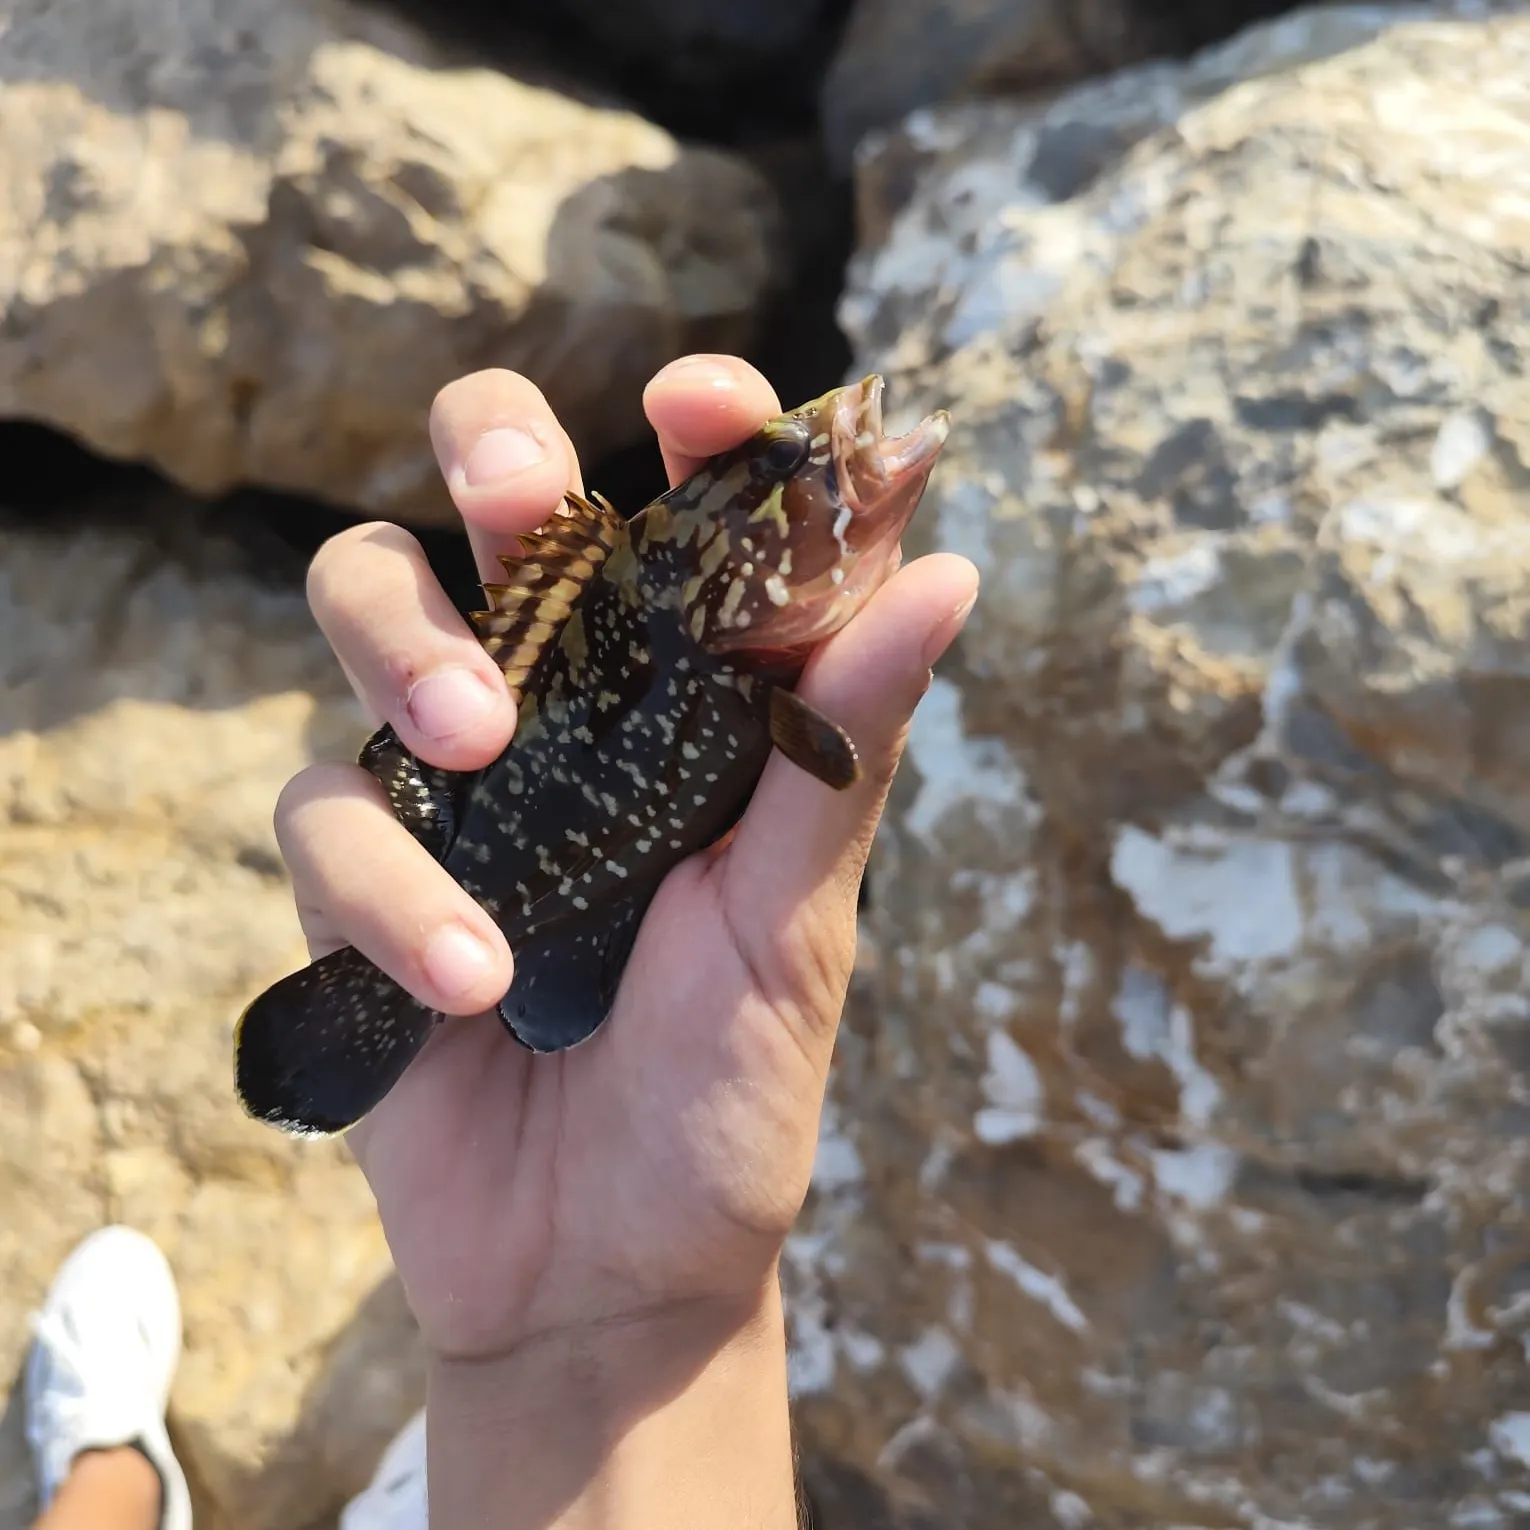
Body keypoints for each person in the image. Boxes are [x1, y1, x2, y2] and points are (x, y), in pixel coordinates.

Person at [20, 354, 980, 1530]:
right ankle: (114, 1479)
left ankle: (103, 1483)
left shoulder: (742, 640)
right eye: (783, 465)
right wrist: (611, 1341)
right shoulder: (739, 652)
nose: (828, 449)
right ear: (723, 562)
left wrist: (596, 1337)